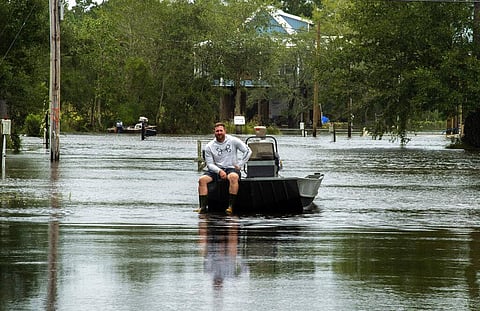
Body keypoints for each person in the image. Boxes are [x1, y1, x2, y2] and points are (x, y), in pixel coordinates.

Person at [197, 122, 252, 215]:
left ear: (225, 131)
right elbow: (209, 164)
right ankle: (203, 207)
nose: (219, 133)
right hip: (216, 169)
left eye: (221, 131)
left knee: (233, 177)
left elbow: (248, 151)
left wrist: (240, 164)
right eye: (217, 131)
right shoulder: (209, 146)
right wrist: (219, 171)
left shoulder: (233, 140)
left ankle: (230, 206)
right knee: (202, 180)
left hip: (231, 168)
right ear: (214, 132)